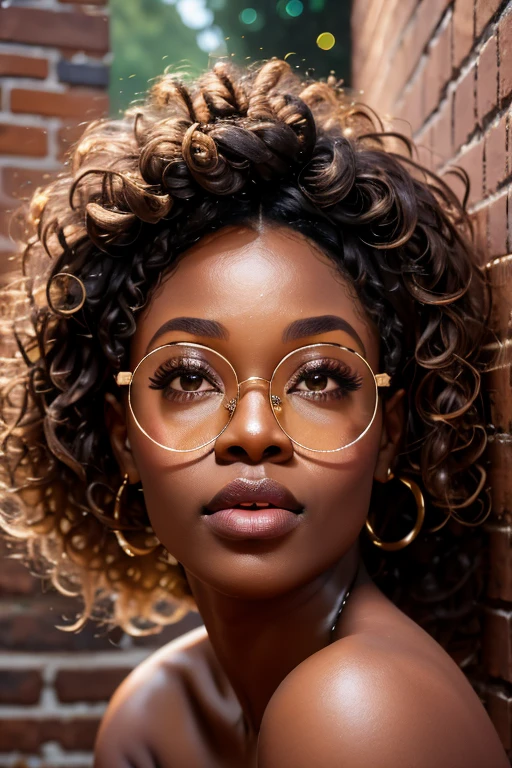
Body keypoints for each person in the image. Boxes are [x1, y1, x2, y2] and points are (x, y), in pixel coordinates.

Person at [0, 58, 508, 767]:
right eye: (186, 377)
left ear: (389, 433)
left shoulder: (361, 710)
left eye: (322, 378)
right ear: (120, 437)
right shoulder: (155, 717)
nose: (253, 434)